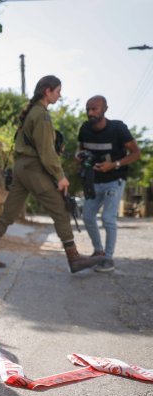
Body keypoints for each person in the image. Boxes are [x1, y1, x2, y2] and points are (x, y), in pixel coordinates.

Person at [0, 75, 102, 273]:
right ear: (47, 92)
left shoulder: (31, 112)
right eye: (58, 91)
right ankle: (74, 258)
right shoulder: (42, 115)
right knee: (61, 211)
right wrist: (60, 176)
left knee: (8, 214)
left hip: (21, 169)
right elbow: (46, 151)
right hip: (34, 170)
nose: (59, 95)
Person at [76, 95, 141, 272]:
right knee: (87, 216)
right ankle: (98, 251)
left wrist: (114, 164)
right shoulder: (85, 128)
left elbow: (136, 153)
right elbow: (81, 150)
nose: (90, 113)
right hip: (94, 181)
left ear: (105, 109)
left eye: (94, 109)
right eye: (88, 109)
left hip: (115, 179)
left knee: (107, 218)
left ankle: (108, 259)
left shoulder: (118, 128)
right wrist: (80, 157)